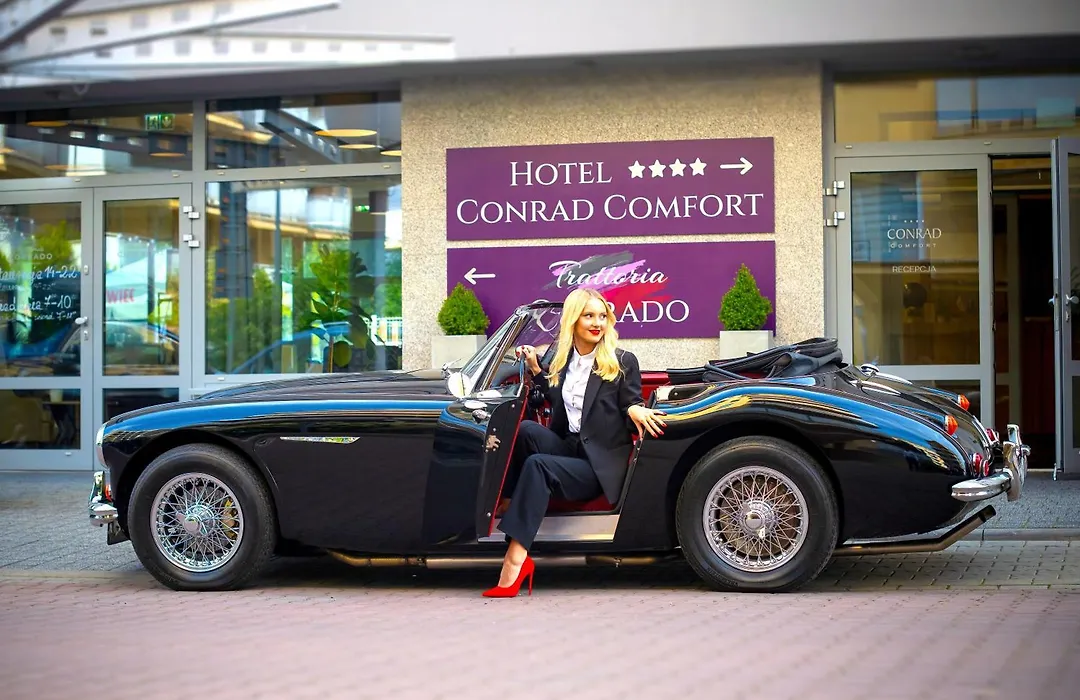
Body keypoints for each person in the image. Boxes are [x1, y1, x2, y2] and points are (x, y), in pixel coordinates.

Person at [482, 288, 667, 598]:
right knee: (526, 430)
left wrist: (634, 408)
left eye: (602, 316)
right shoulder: (563, 359)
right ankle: (510, 499)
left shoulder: (621, 361)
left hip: (597, 467)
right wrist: (536, 369)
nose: (597, 323)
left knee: (538, 465)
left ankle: (515, 560)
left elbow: (630, 401)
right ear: (573, 320)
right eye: (589, 316)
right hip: (569, 447)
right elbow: (557, 399)